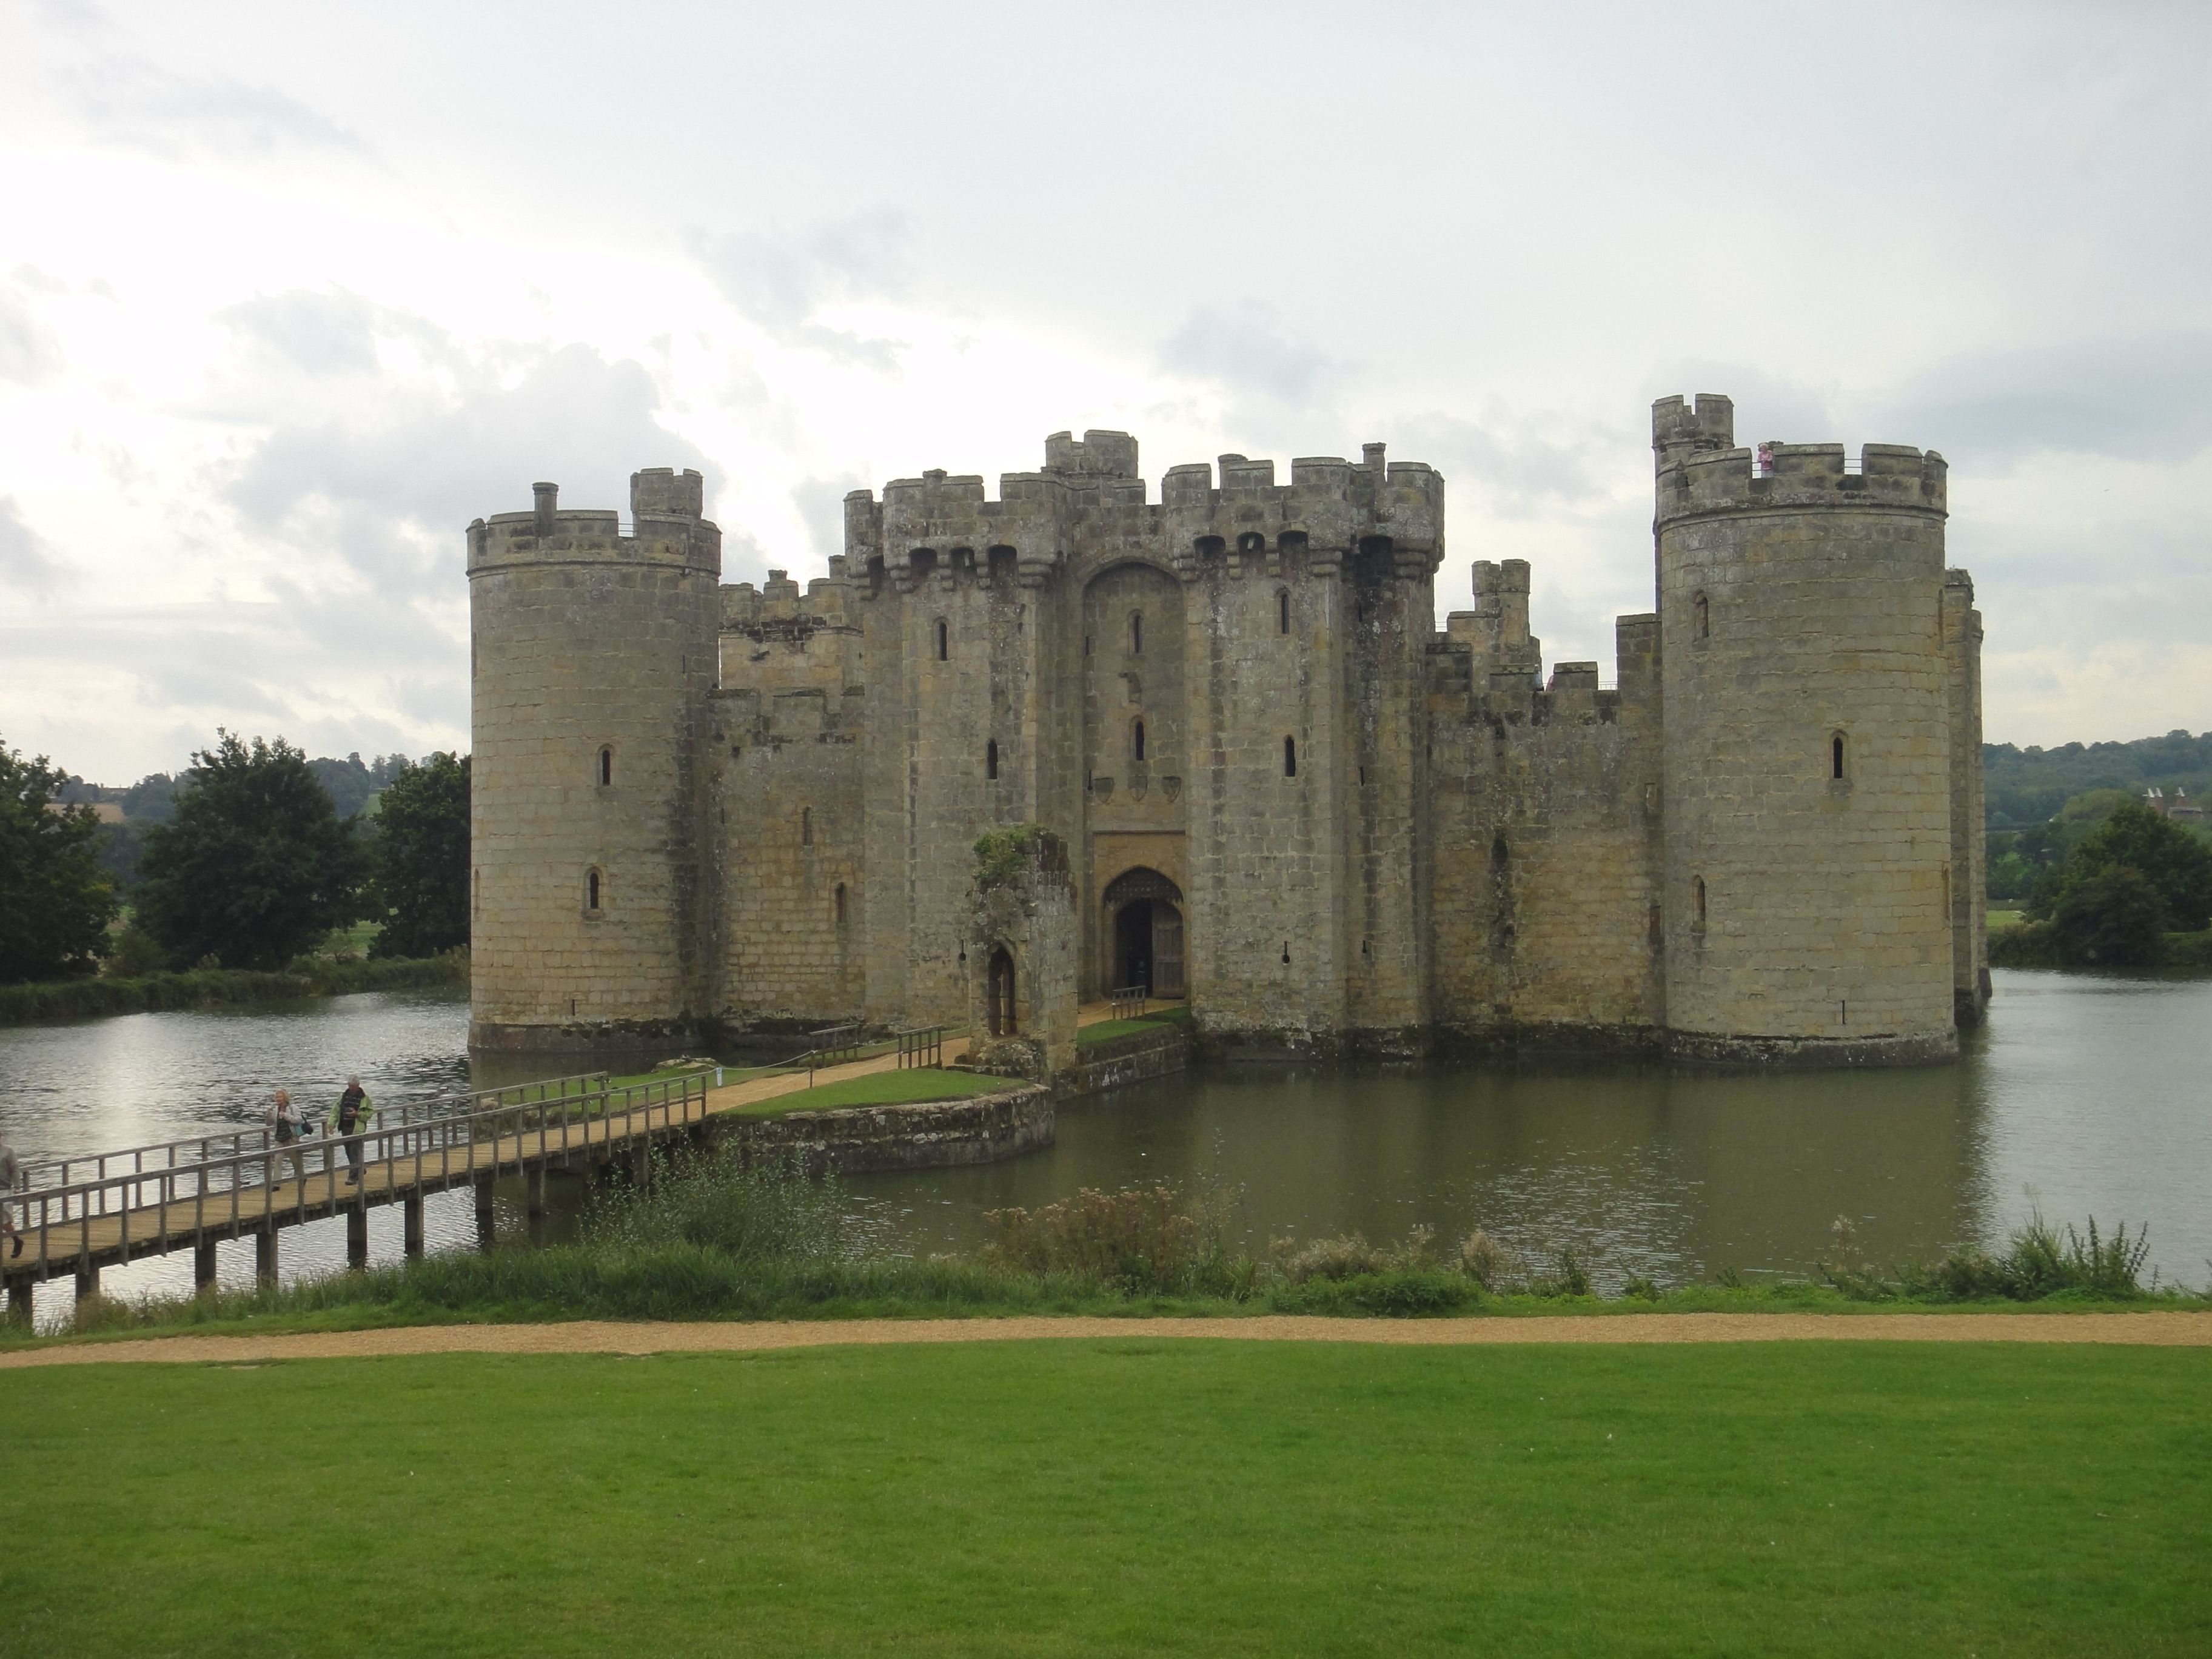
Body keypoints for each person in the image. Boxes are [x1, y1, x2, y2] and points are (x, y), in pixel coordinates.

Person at [329, 1076, 374, 1186]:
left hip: (357, 1129)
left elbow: (369, 1114)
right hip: (345, 1127)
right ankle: (360, 1168)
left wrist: (357, 1114)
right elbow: (335, 1111)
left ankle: (352, 1176)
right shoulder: (343, 1097)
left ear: (358, 1086)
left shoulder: (365, 1099)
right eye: (349, 1086)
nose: (351, 1088)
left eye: (353, 1087)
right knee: (349, 1151)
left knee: (355, 1150)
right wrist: (331, 1124)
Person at [265, 1090, 307, 1186]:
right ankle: (276, 1184)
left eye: (280, 1097)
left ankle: (301, 1176)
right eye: (277, 1097)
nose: (278, 1099)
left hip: (291, 1137)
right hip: (279, 1138)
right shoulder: (276, 1109)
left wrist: (286, 1116)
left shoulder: (293, 1108)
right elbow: (269, 1124)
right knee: (277, 1160)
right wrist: (268, 1115)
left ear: (285, 1098)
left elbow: (299, 1120)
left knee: (294, 1160)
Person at [0, 1128, 22, 1258]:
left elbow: (15, 1169)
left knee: (5, 1222)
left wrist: (17, 1186)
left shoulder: (8, 1151)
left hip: (5, 1190)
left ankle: (17, 1241)